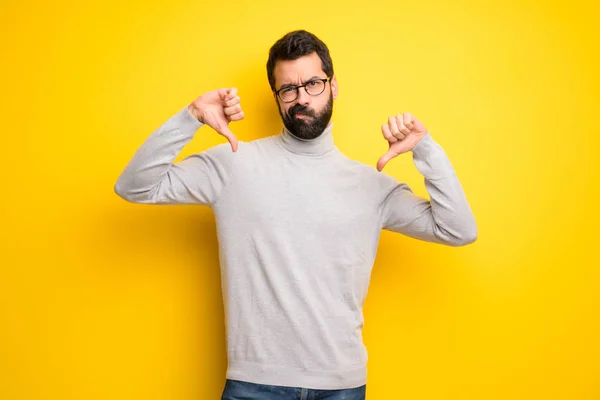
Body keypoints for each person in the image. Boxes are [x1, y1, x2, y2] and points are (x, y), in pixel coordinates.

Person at [114, 29, 477, 400]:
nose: (301, 98)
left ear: (333, 86)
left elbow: (458, 229)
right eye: (288, 89)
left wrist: (426, 150)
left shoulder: (372, 187)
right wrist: (190, 116)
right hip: (253, 385)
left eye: (313, 84)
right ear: (276, 97)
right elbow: (135, 186)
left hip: (342, 387)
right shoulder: (234, 165)